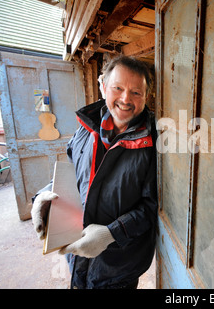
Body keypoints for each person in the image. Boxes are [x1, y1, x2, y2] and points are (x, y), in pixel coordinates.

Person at [31, 55, 158, 289]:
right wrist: (44, 194)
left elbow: (154, 208)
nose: (125, 99)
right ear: (103, 87)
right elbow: (72, 172)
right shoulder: (86, 127)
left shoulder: (157, 142)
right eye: (117, 88)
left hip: (119, 264)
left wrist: (111, 234)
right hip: (77, 252)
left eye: (136, 92)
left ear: (146, 95)